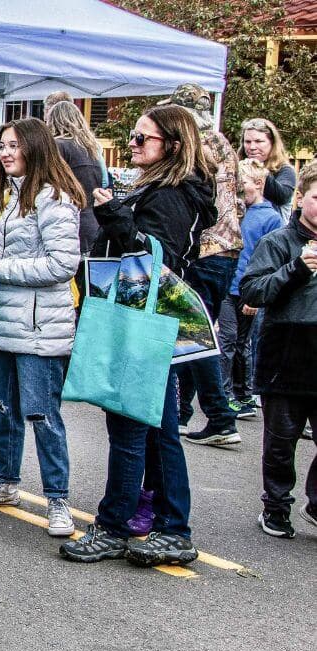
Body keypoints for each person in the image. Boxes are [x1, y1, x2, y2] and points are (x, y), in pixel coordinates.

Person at [61, 104, 216, 566]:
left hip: (141, 322)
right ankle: (172, 528)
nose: (131, 143)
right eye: (132, 136)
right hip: (142, 321)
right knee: (155, 430)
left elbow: (156, 259)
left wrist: (114, 215)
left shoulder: (172, 195)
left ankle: (114, 526)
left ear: (172, 145)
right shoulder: (164, 189)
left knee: (133, 428)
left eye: (141, 138)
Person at [0, 117, 83, 538]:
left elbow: (62, 265)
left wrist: (1, 267)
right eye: (1, 146)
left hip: (39, 330)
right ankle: (5, 484)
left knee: (43, 415)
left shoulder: (55, 199)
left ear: (35, 148)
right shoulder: (11, 197)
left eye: (14, 145)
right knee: (5, 410)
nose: (4, 153)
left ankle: (58, 500)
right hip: (4, 326)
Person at [160, 84, 242, 445]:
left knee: (195, 333)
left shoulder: (198, 143)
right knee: (194, 329)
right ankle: (186, 410)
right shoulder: (221, 141)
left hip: (207, 246)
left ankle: (221, 416)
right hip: (226, 246)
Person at [238, 162, 317, 538]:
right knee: (281, 442)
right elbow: (253, 291)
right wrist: (296, 269)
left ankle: (315, 503)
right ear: (301, 199)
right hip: (286, 353)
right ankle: (276, 506)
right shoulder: (279, 242)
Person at [224, 159, 284, 419]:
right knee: (227, 341)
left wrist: (257, 297)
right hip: (229, 286)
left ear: (258, 184)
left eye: (243, 184)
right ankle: (226, 395)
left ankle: (244, 394)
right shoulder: (237, 212)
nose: (238, 189)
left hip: (249, 291)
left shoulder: (271, 218)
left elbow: (271, 261)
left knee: (242, 344)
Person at [43, 100, 103, 257]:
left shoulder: (58, 146)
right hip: (92, 222)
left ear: (53, 120)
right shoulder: (91, 149)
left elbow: (47, 185)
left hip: (68, 225)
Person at [239, 117, 296, 215]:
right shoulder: (237, 167)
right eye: (248, 142)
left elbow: (282, 196)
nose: (252, 147)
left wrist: (260, 171)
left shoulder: (285, 170)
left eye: (259, 141)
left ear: (272, 143)